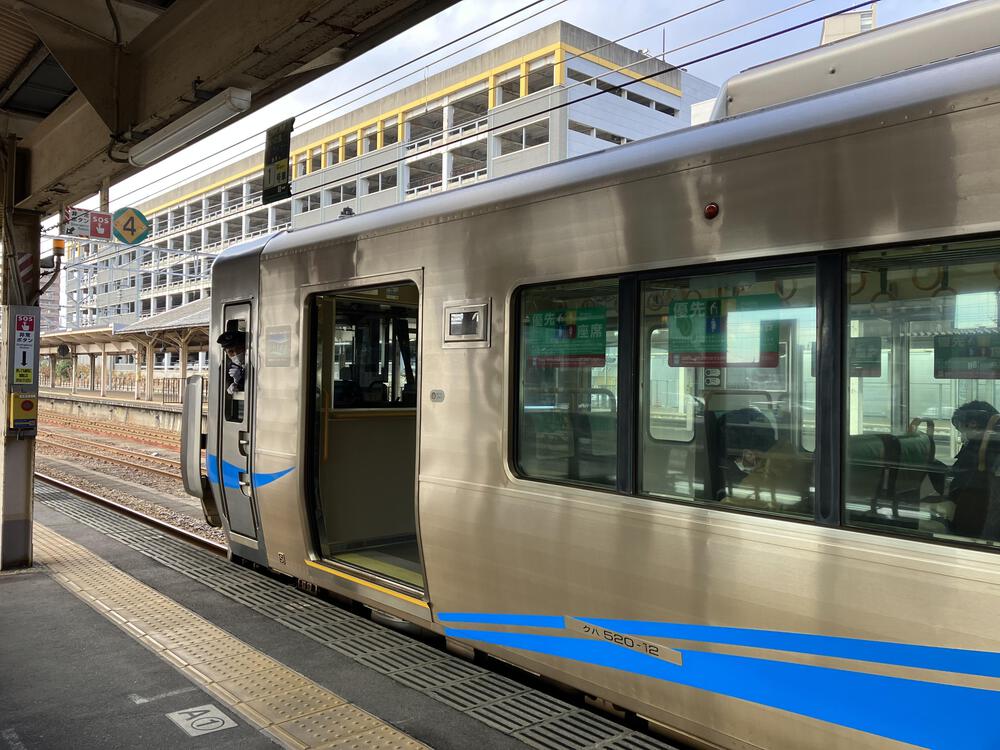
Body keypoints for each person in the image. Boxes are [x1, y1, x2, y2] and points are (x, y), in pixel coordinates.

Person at [948, 400, 999, 537]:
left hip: (974, 521)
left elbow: (960, 486)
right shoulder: (990, 444)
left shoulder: (978, 450)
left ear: (973, 424)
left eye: (962, 426)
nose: (962, 432)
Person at [217, 330, 246, 395]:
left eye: (239, 349)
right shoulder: (225, 367)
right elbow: (227, 388)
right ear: (226, 352)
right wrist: (235, 383)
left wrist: (240, 379)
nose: (236, 354)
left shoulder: (256, 362)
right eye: (231, 352)